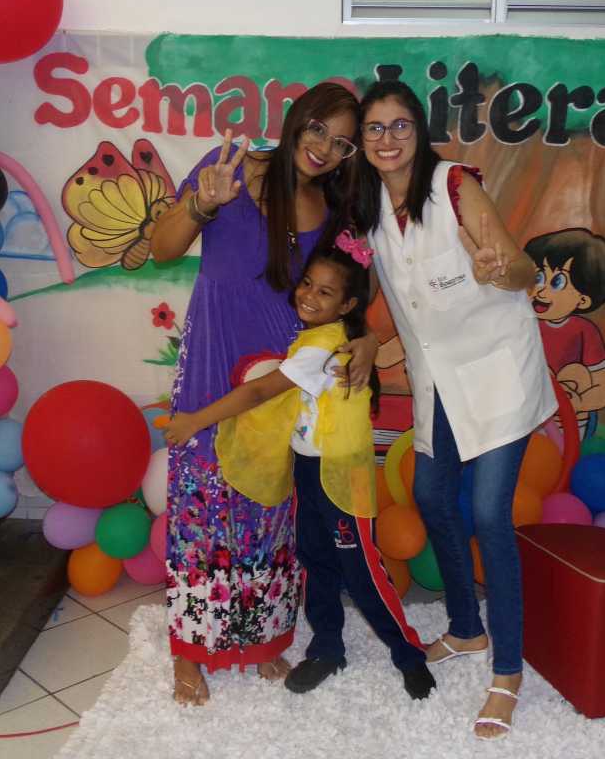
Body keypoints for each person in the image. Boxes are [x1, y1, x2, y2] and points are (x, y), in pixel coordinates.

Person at [149, 82, 376, 707]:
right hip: (211, 363)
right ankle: (190, 650)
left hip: (280, 382)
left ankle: (261, 639)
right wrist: (202, 205)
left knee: (267, 510)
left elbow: (350, 298)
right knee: (200, 509)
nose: (324, 148)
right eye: (318, 129)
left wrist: (368, 340)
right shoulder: (230, 168)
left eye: (341, 143)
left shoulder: (334, 209)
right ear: (297, 121)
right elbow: (161, 248)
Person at [353, 80, 557, 740]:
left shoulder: (454, 186)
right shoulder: (368, 208)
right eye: (375, 128)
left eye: (400, 125)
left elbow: (520, 268)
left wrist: (504, 268)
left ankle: (508, 671)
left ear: (419, 131)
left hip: (497, 371)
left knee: (491, 513)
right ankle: (467, 628)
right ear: (362, 140)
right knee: (432, 495)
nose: (387, 139)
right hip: (438, 378)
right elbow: (367, 284)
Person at [164, 241, 435, 700]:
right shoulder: (313, 336)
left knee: (362, 570)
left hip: (341, 475)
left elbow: (259, 392)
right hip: (310, 469)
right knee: (314, 560)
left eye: (325, 292)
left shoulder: (324, 347)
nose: (308, 295)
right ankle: (327, 648)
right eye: (307, 283)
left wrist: (196, 420)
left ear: (347, 305)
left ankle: (408, 654)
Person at [524, 228, 605, 437]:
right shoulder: (524, 324)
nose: (541, 290)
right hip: (530, 418)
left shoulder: (584, 331)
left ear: (583, 300)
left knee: (575, 373)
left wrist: (577, 403)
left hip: (571, 421)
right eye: (538, 277)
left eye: (557, 282)